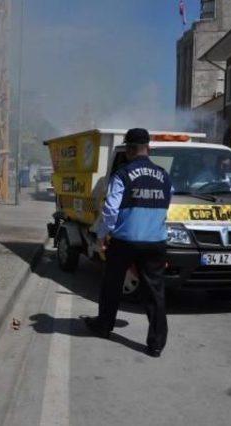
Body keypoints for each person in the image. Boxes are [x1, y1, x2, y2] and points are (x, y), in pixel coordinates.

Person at [84, 128, 172, 358]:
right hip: (155, 241)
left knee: (111, 285)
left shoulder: (122, 174)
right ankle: (156, 344)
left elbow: (111, 209)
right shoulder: (164, 175)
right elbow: (166, 205)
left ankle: (104, 326)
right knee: (155, 292)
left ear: (129, 150)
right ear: (148, 148)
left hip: (124, 240)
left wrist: (102, 235)